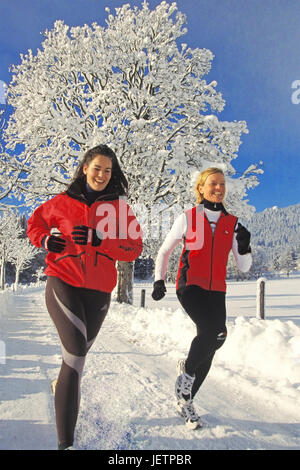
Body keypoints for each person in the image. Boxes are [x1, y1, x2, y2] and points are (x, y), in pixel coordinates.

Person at [27, 144, 143, 450]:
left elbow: (135, 247)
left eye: (108, 170)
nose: (102, 175)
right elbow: (35, 223)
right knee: (76, 351)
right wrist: (45, 240)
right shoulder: (60, 203)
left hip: (100, 290)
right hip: (62, 280)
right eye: (97, 168)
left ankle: (61, 386)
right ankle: (66, 444)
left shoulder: (120, 210)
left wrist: (101, 240)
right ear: (85, 168)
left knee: (74, 361)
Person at [151, 167, 252, 430]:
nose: (218, 188)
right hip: (190, 286)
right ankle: (187, 372)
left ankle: (187, 399)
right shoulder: (188, 217)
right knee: (211, 330)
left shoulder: (234, 224)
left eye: (222, 184)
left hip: (217, 290)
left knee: (216, 339)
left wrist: (244, 246)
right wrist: (159, 279)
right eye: (212, 184)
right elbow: (164, 251)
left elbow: (244, 267)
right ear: (201, 188)